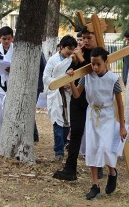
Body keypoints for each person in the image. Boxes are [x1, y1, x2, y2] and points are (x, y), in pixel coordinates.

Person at [69, 47, 127, 200]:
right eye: (93, 64)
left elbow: (120, 104)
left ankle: (112, 172)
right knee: (93, 149)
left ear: (106, 62)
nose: (94, 67)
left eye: (98, 64)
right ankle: (95, 185)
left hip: (107, 115)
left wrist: (121, 126)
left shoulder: (113, 79)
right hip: (92, 115)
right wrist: (71, 82)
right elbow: (77, 94)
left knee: (106, 148)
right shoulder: (86, 76)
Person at [53, 26, 97, 181]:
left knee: (95, 134)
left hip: (94, 101)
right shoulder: (79, 53)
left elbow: (95, 73)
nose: (85, 41)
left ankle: (98, 167)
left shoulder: (99, 53)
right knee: (76, 133)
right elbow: (72, 71)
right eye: (83, 38)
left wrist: (82, 60)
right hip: (77, 98)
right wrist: (71, 70)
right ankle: (70, 168)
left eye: (89, 37)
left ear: (96, 37)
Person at [43, 35, 77, 161]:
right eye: (69, 48)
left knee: (67, 124)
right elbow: (46, 78)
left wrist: (69, 82)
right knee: (57, 123)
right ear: (62, 47)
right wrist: (61, 82)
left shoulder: (72, 61)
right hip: (55, 95)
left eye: (73, 49)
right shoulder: (53, 60)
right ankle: (58, 151)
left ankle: (63, 145)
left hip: (67, 95)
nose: (70, 51)